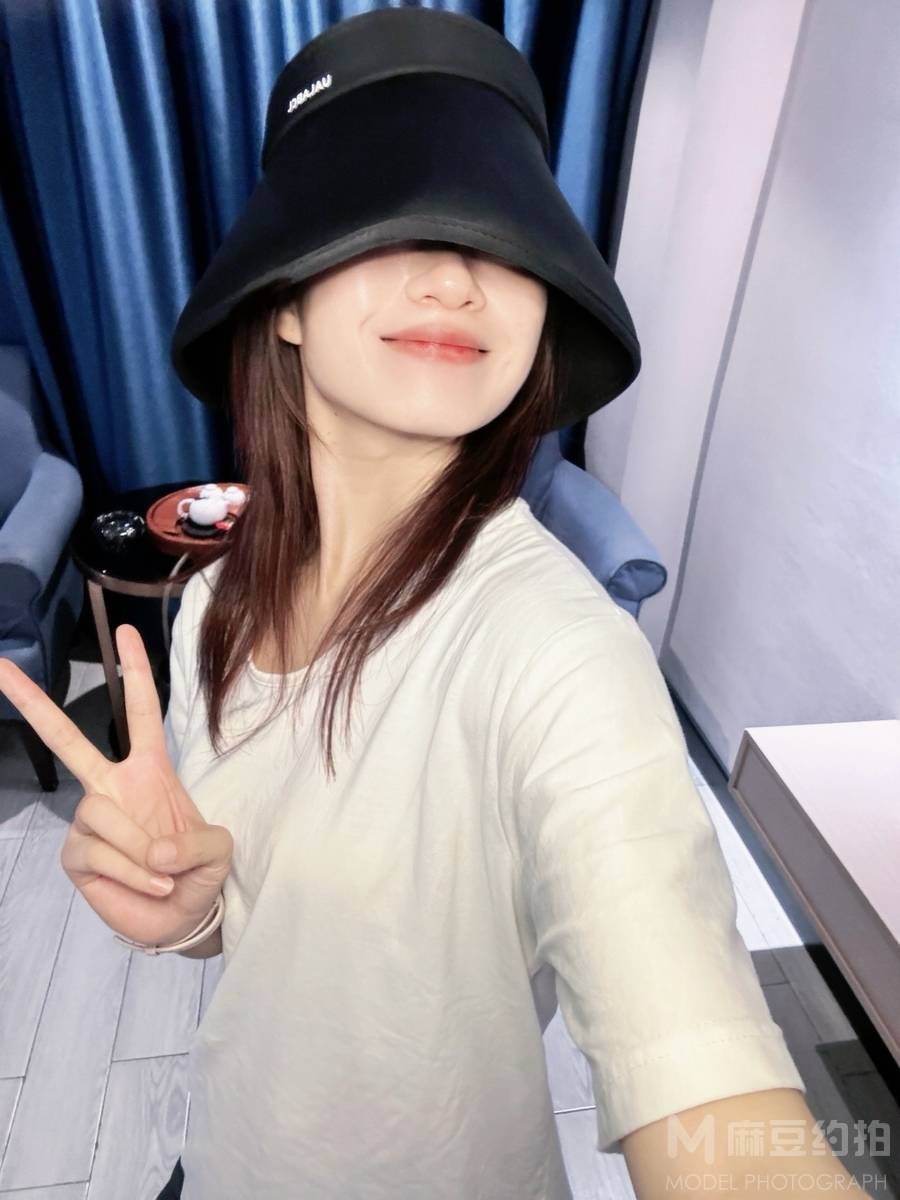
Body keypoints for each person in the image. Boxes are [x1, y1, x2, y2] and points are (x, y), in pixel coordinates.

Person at [2, 10, 856, 1200]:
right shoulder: (213, 608)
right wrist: (191, 909)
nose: (457, 277)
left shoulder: (560, 656)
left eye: (504, 240)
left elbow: (707, 1095)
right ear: (283, 299)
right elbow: (257, 923)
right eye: (391, 221)